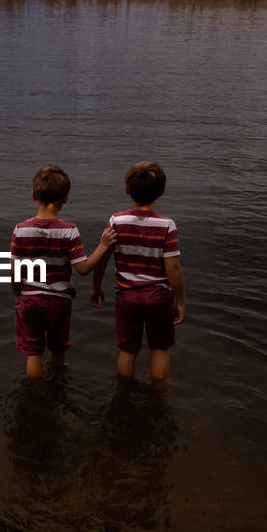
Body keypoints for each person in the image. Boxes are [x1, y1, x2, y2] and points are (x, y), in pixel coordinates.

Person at [11, 165, 116, 378]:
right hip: (58, 301)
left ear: (33, 195)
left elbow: (13, 272)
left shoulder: (21, 229)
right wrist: (103, 246)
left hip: (29, 299)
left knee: (33, 353)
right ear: (65, 198)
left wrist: (18, 296)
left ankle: (35, 395)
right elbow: (83, 268)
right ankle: (57, 387)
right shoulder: (69, 230)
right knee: (57, 349)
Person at [90, 162, 185, 382]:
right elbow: (172, 267)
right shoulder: (167, 225)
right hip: (159, 296)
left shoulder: (116, 221)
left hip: (127, 296)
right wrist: (180, 301)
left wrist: (96, 286)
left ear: (127, 190)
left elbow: (103, 258)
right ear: (161, 192)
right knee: (160, 349)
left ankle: (124, 393)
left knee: (127, 350)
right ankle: (159, 396)